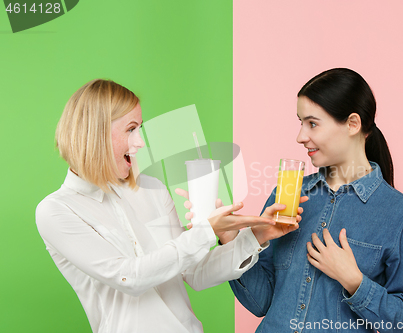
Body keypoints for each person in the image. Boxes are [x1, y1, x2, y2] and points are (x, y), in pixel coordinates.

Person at [35, 79, 301, 333]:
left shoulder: (150, 189)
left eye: (140, 128)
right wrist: (206, 231)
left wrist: (256, 236)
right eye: (131, 129)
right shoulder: (57, 211)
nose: (140, 142)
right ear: (97, 132)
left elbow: (194, 272)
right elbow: (129, 277)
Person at [227, 68, 403, 332]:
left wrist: (354, 281)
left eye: (312, 123)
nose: (300, 136)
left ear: (353, 124)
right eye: (300, 123)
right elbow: (261, 303)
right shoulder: (286, 195)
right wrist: (233, 241)